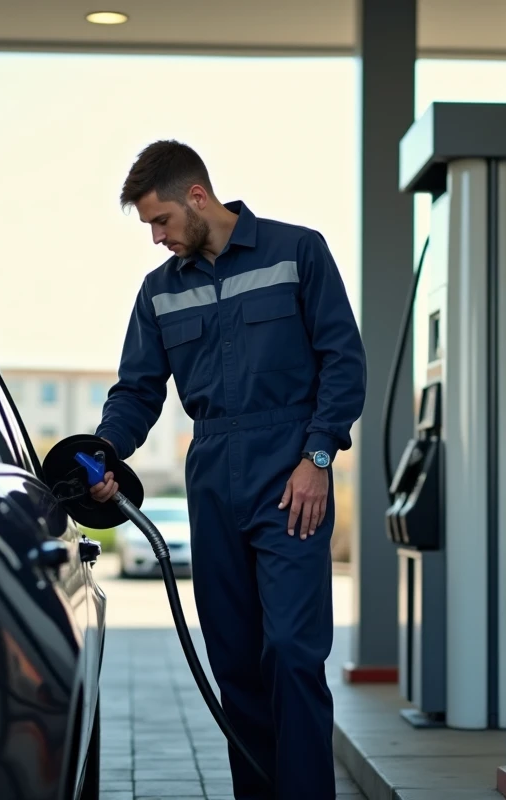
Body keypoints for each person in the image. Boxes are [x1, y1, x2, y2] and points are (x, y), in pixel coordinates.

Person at [89, 139, 367, 799]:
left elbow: (343, 361)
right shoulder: (159, 293)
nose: (156, 238)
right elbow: (137, 393)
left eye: (161, 221)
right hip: (212, 477)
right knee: (236, 665)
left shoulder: (297, 252)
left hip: (291, 478)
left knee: (294, 654)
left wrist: (318, 455)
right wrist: (104, 453)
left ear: (196, 196)